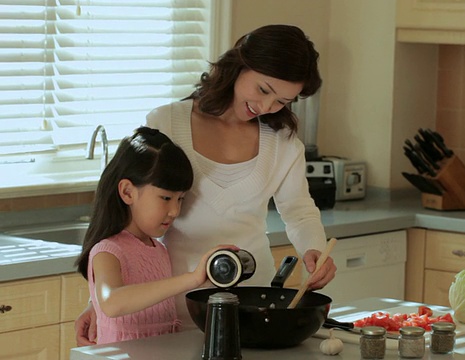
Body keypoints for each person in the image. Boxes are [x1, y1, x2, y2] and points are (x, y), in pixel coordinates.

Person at [75, 24, 337, 345]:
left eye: (283, 101)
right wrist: (95, 301)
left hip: (251, 307)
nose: (267, 107)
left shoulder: (283, 143)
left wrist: (314, 251)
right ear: (239, 65)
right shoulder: (166, 123)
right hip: (170, 304)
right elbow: (124, 221)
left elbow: (299, 212)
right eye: (263, 90)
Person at [75, 126, 237, 344]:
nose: (175, 211)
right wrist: (192, 278)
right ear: (127, 192)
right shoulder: (108, 250)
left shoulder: (159, 249)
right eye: (165, 198)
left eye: (180, 199)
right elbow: (112, 302)